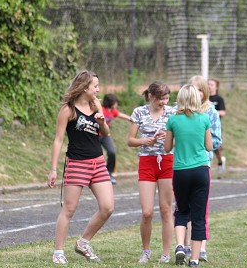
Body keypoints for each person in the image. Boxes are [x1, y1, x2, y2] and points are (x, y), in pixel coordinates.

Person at [47, 70, 114, 265]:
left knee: (108, 207)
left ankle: (83, 243)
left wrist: (102, 122)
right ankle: (58, 252)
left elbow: (106, 134)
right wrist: (53, 169)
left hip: (98, 163)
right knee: (69, 209)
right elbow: (58, 140)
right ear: (85, 88)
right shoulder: (68, 109)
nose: (98, 89)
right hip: (77, 163)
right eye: (95, 86)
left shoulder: (96, 104)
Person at [164, 84, 213, 268]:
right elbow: (209, 146)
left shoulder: (173, 120)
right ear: (197, 99)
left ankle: (179, 246)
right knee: (199, 216)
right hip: (200, 170)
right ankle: (194, 260)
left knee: (181, 211)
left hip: (180, 171)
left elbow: (167, 148)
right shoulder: (204, 118)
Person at [127, 81, 175, 264]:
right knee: (147, 212)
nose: (164, 102)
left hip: (167, 161)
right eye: (161, 98)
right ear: (151, 97)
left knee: (165, 209)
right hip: (146, 163)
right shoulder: (139, 112)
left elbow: (178, 138)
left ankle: (166, 253)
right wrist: (147, 141)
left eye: (166, 98)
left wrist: (168, 139)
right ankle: (145, 250)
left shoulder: (172, 113)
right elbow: (130, 140)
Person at [184, 75, 222, 262]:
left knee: (201, 207)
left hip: (201, 163)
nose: (196, 93)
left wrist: (200, 141)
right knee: (183, 207)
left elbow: (216, 141)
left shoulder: (211, 112)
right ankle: (183, 245)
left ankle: (201, 247)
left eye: (200, 89)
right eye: (193, 88)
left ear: (205, 92)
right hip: (182, 164)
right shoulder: (181, 112)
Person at [101, 93, 131, 185]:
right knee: (97, 156)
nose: (117, 104)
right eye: (115, 102)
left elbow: (120, 115)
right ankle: (96, 175)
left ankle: (109, 173)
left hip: (105, 135)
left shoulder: (112, 111)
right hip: (94, 136)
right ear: (110, 102)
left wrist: (131, 118)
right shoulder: (101, 110)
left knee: (112, 152)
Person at [208, 78, 226, 175]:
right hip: (203, 126)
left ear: (216, 86)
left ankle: (220, 161)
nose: (209, 86)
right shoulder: (204, 98)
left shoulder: (219, 99)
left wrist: (211, 112)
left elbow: (223, 112)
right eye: (208, 84)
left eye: (211, 84)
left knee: (216, 148)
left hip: (214, 127)